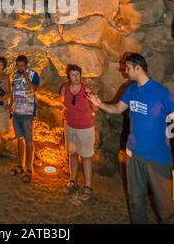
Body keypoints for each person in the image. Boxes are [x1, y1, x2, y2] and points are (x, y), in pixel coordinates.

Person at [86, 53, 174, 224]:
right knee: (136, 201)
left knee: (165, 208)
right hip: (134, 155)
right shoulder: (131, 89)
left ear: (138, 68)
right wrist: (100, 104)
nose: (125, 71)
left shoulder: (161, 92)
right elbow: (118, 108)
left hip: (157, 158)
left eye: (127, 68)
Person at [59, 64, 97, 201]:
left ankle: (87, 186)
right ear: (69, 76)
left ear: (81, 75)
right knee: (73, 155)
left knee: (86, 157)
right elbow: (62, 101)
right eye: (73, 75)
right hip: (70, 126)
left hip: (85, 127)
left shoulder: (86, 89)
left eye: (77, 75)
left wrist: (93, 106)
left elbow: (95, 108)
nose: (75, 77)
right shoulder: (65, 88)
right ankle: (73, 181)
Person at [10, 55, 40, 183]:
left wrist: (27, 78)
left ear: (27, 65)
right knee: (20, 140)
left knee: (29, 141)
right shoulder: (15, 76)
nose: (20, 68)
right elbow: (13, 91)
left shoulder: (33, 74)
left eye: (23, 66)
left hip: (28, 114)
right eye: (18, 66)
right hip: (17, 113)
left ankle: (30, 169)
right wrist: (11, 105)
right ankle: (20, 165)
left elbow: (34, 90)